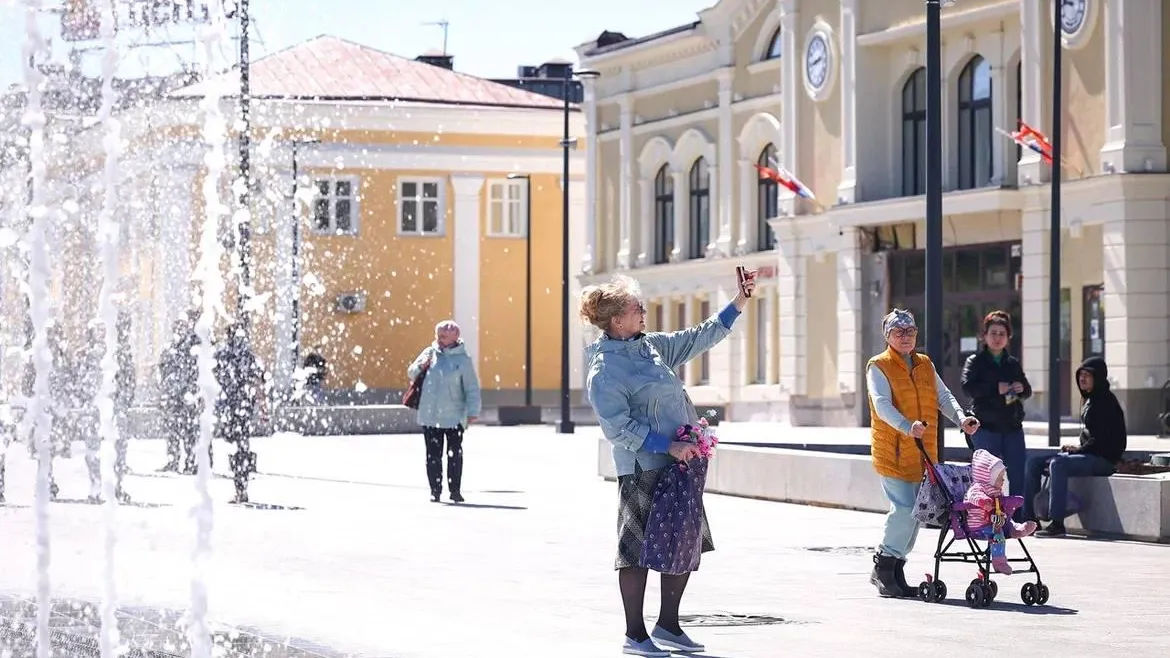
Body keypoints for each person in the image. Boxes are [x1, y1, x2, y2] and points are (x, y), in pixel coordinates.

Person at [582, 270, 753, 658]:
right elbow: (617, 427)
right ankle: (635, 634)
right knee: (637, 550)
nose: (644, 312)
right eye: (636, 308)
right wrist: (667, 445)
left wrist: (739, 301)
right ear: (616, 320)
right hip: (642, 468)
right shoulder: (605, 369)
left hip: (680, 465)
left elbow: (699, 336)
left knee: (683, 540)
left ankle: (669, 627)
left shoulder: (652, 347)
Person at [865, 309, 980, 598]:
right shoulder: (878, 366)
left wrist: (961, 419)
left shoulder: (925, 364)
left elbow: (943, 396)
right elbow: (881, 404)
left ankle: (896, 569)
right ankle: (883, 566)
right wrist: (907, 426)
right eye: (898, 332)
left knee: (917, 513)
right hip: (894, 450)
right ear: (887, 336)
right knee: (904, 509)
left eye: (911, 331)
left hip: (923, 451)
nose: (905, 337)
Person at [1023, 355, 1127, 537]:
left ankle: (1057, 524)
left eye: (1087, 375)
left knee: (1058, 464)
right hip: (1089, 454)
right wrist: (1077, 450)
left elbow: (1100, 442)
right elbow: (1091, 440)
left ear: (1098, 377)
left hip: (1103, 460)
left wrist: (1078, 450)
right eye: (1080, 375)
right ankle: (1030, 521)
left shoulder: (1106, 402)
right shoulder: (1090, 399)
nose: (1082, 379)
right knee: (1033, 463)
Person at [960, 310, 1031, 515]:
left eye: (1002, 334)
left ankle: (1018, 519)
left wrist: (1021, 388)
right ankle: (984, 518)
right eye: (993, 333)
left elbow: (1026, 390)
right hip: (986, 427)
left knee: (1017, 475)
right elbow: (967, 387)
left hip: (1012, 427)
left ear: (1008, 337)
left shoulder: (1012, 363)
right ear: (984, 336)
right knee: (986, 477)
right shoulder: (976, 361)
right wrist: (995, 388)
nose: (997, 338)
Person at [406, 320, 481, 504]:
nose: (439, 339)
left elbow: (471, 388)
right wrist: (420, 366)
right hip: (430, 415)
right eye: (438, 335)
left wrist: (473, 411)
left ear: (455, 337)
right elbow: (411, 373)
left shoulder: (463, 360)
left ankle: (455, 491)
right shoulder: (429, 353)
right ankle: (435, 490)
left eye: (444, 336)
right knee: (433, 455)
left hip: (454, 416)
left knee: (454, 454)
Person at [964, 449, 1038, 574]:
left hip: (996, 521)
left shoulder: (996, 490)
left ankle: (1018, 529)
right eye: (1000, 478)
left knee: (1007, 523)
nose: (1003, 480)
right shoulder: (978, 487)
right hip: (980, 525)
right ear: (989, 478)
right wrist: (984, 502)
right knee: (998, 535)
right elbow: (973, 496)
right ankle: (999, 562)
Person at [215, 323, 264, 503]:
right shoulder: (248, 355)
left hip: (230, 406)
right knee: (242, 444)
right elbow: (258, 376)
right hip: (243, 406)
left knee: (234, 444)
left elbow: (215, 377)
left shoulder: (224, 354)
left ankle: (240, 485)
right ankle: (242, 485)